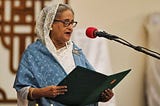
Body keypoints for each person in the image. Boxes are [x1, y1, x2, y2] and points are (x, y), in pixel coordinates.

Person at [13, 1, 114, 106]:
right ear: (51, 24)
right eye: (66, 22)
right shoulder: (33, 52)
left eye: (72, 23)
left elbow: (92, 84)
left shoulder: (76, 51)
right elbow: (22, 89)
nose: (70, 27)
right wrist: (42, 92)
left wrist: (101, 95)